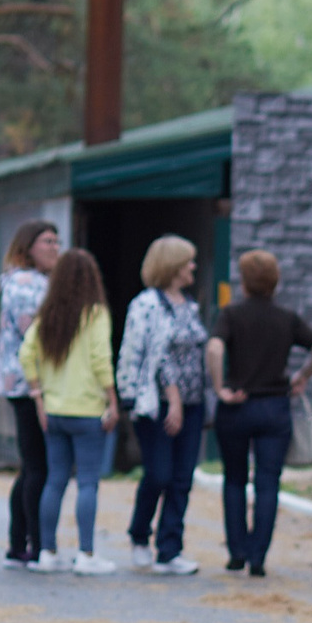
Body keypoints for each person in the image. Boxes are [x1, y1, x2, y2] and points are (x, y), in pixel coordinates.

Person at [205, 249, 312, 577]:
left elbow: (215, 347)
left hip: (237, 406)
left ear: (244, 282)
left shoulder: (230, 314)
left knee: (233, 479)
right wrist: (302, 376)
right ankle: (258, 557)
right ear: (274, 282)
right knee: (267, 482)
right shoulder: (286, 317)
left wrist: (219, 388)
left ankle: (237, 553)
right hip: (274, 407)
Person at [17, 249, 119, 575]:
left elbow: (25, 354)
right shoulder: (96, 314)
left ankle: (47, 552)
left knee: (55, 480)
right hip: (88, 410)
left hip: (55, 411)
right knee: (87, 482)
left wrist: (38, 396)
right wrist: (112, 400)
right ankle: (86, 554)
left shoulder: (48, 315)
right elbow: (101, 360)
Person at [115, 236, 208, 576]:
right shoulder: (146, 305)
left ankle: (170, 549)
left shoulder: (190, 305)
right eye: (188, 262)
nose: (193, 268)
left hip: (194, 403)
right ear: (172, 265)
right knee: (159, 473)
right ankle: (140, 535)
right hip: (155, 405)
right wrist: (172, 400)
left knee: (182, 477)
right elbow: (155, 355)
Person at [0, 220, 60, 569]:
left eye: (57, 241)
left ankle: (20, 542)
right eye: (47, 241)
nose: (55, 247)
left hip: (35, 382)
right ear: (28, 247)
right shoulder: (22, 283)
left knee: (34, 465)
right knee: (38, 465)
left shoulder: (42, 282)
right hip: (26, 384)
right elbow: (32, 335)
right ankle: (33, 544)